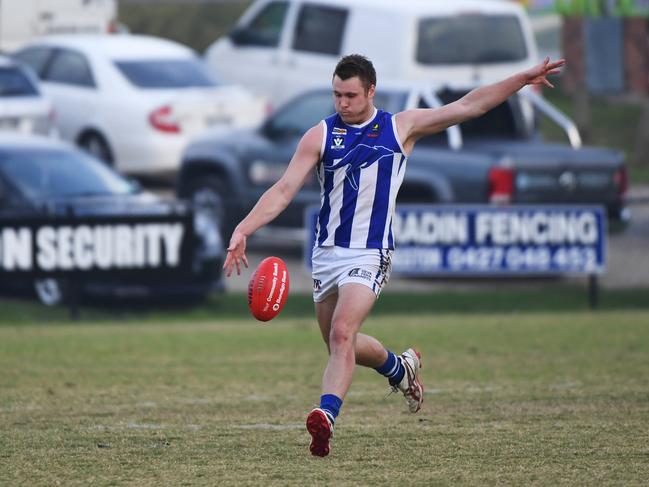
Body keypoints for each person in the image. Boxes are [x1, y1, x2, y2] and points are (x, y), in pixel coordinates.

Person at [223, 54, 564, 457]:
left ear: (370, 91)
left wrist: (520, 78)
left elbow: (470, 106)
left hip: (370, 252)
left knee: (342, 333)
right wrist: (244, 228)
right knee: (338, 344)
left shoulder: (400, 127)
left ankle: (325, 417)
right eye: (336, 94)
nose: (342, 103)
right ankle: (400, 369)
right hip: (326, 254)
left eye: (350, 95)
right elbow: (283, 190)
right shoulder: (319, 135)